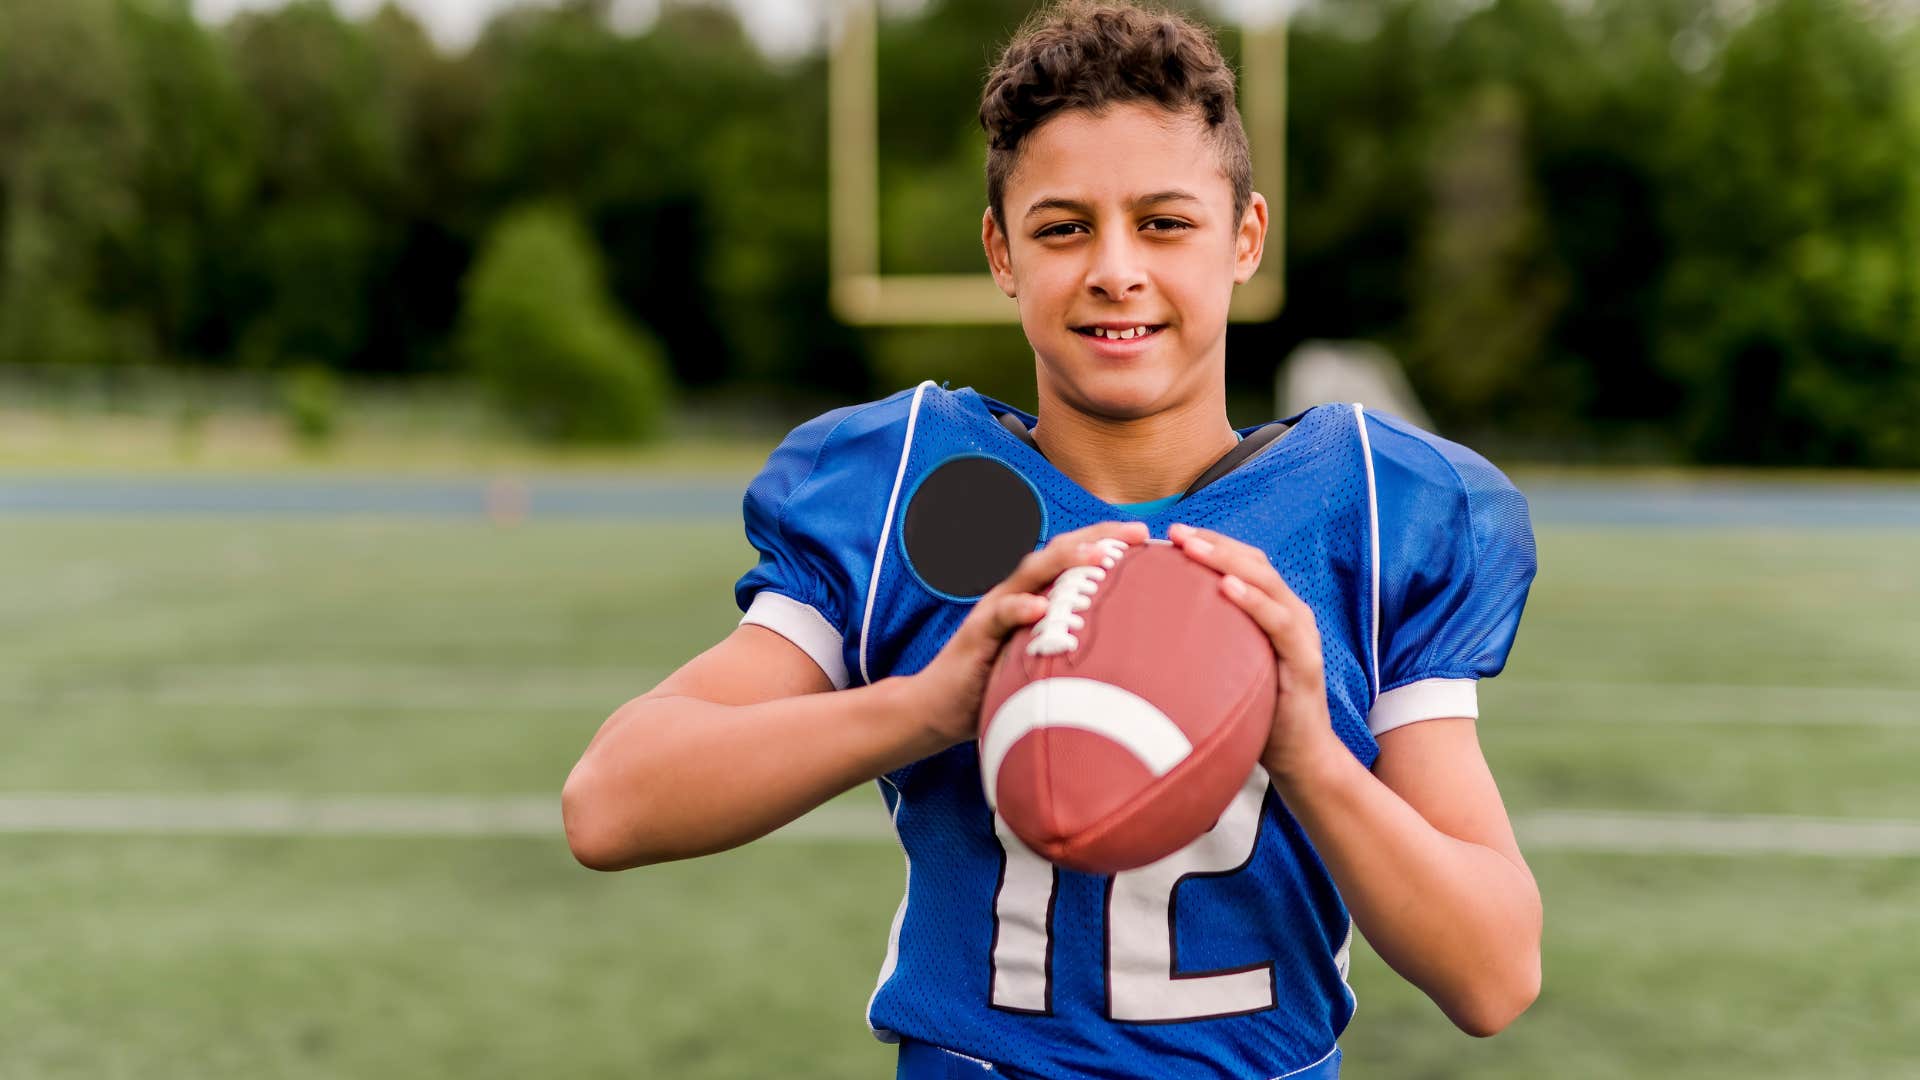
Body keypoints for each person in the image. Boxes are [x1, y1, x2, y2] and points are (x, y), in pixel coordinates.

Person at [562, 2, 1542, 1076]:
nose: (1115, 269)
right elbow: (610, 805)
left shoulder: (1367, 505)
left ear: (1245, 238)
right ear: (1001, 250)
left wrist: (1308, 754)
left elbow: (1493, 975)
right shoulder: (914, 491)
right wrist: (926, 705)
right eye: (1063, 226)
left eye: (1164, 223)